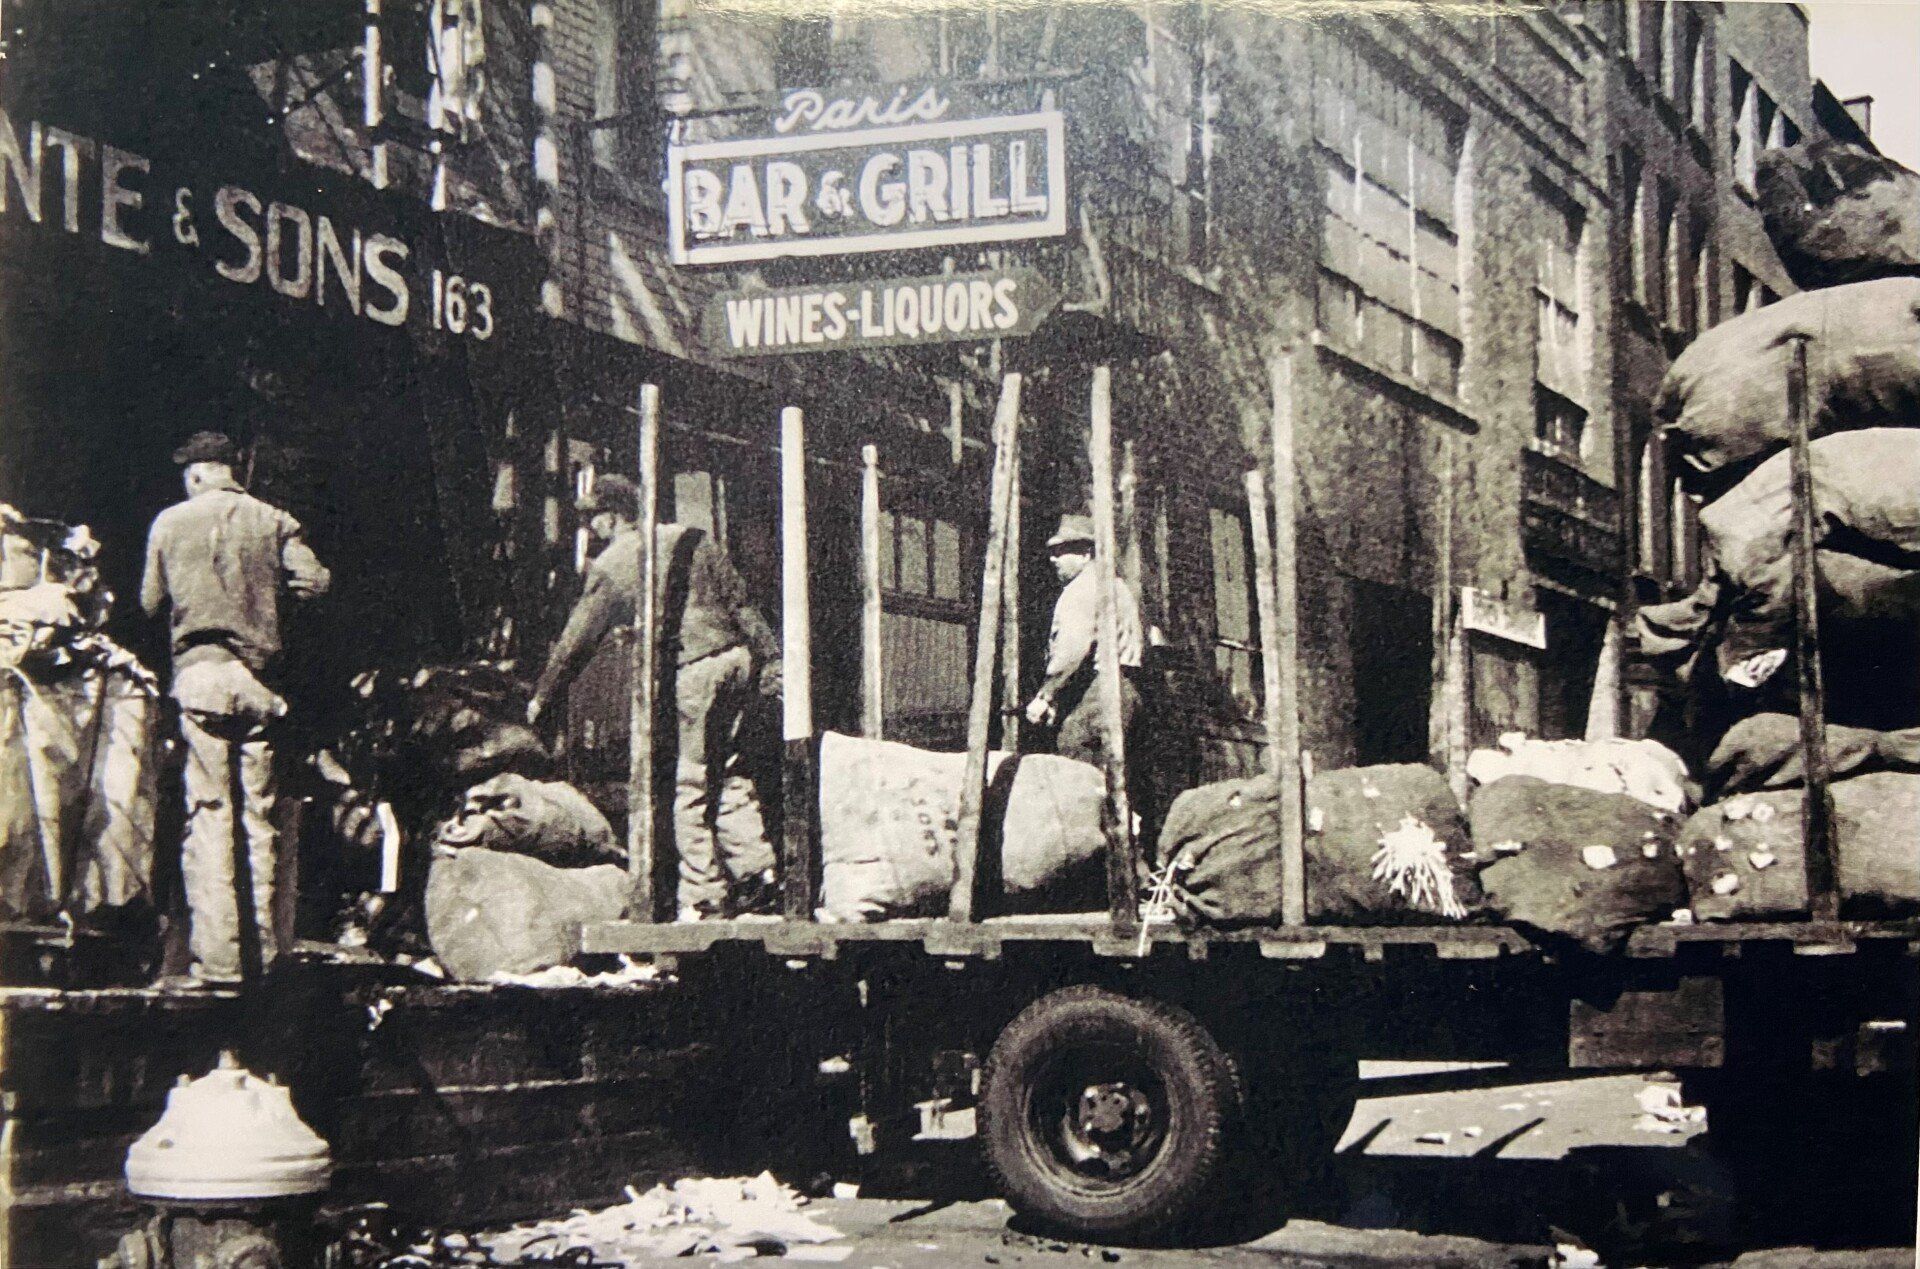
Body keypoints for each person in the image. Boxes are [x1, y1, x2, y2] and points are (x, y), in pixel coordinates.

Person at [527, 475, 782, 921]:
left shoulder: (617, 560)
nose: (592, 529)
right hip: (737, 661)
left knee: (689, 782)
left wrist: (542, 697)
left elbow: (575, 641)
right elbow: (741, 603)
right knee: (727, 772)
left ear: (609, 517)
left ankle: (703, 896)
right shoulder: (693, 538)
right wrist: (772, 658)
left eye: (593, 519)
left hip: (696, 669)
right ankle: (757, 875)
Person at [141, 431, 330, 986]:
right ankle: (265, 957)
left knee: (210, 815)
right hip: (257, 685)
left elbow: (150, 603)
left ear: (196, 473)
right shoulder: (274, 519)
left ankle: (220, 962)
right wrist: (269, 602)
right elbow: (315, 582)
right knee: (259, 820)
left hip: (201, 681)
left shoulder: (170, 522)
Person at [1025, 514, 1145, 767]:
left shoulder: (1081, 590)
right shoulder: (1118, 587)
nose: (1053, 559)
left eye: (1061, 551)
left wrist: (1045, 696)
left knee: (1076, 759)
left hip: (1100, 692)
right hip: (1127, 691)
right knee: (1116, 777)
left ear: (1086, 554)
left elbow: (1071, 651)